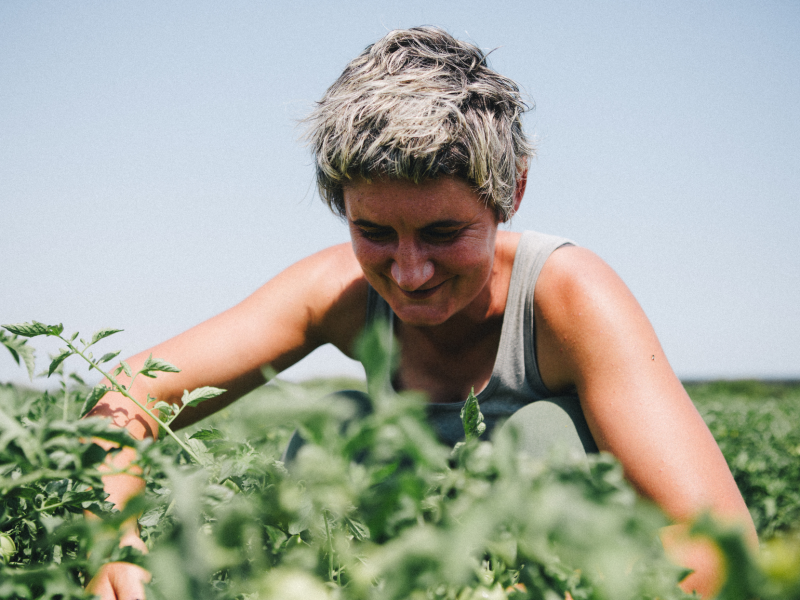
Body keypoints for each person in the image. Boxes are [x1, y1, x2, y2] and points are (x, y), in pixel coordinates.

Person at [86, 26, 756, 600]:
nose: (408, 274)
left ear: (511, 192)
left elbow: (718, 547)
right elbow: (127, 395)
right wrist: (109, 540)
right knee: (334, 430)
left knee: (542, 434)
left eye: (442, 233)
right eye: (374, 232)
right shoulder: (338, 291)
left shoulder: (567, 297)